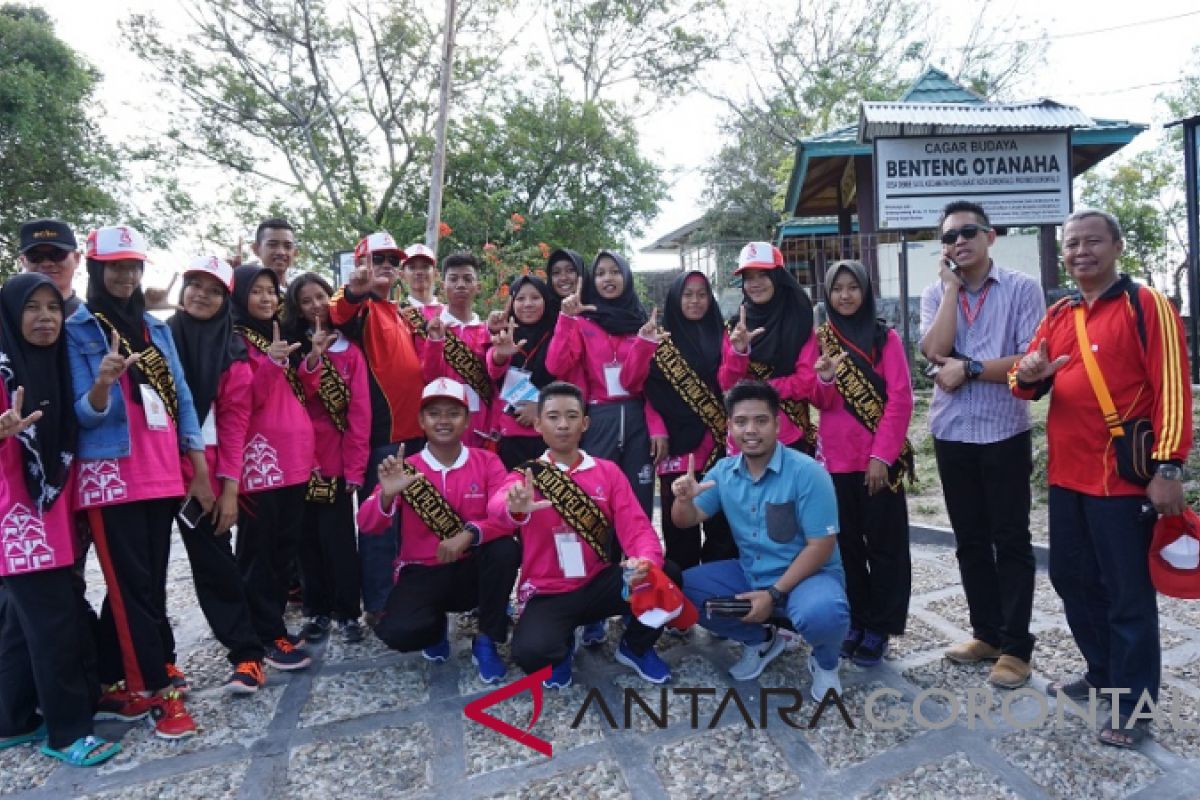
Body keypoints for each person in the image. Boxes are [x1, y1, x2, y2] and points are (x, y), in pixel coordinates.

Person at [1012, 209, 1193, 748]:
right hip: (1068, 478)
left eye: (1092, 241)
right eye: (1071, 244)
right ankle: (1102, 674)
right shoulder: (1060, 312)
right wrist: (1030, 374)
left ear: (1116, 246)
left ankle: (1134, 707)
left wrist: (1168, 466)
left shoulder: (1147, 306)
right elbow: (1024, 382)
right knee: (1071, 579)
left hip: (1123, 480)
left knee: (1127, 595)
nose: (1080, 251)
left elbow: (1174, 389)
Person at [65, 225, 210, 739]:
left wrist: (197, 462)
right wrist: (103, 383)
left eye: (132, 266)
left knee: (146, 584)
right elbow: (81, 415)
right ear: (95, 269)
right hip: (111, 474)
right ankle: (153, 689)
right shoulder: (76, 328)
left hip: (162, 469)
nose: (125, 275)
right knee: (130, 589)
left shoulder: (154, 328)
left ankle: (117, 674)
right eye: (115, 266)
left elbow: (184, 400)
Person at [918, 200, 1046, 689]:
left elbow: (1030, 358)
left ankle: (1016, 647)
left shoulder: (1021, 289)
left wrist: (969, 367)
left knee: (1010, 540)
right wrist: (950, 291)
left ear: (990, 236)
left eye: (968, 232)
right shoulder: (935, 293)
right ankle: (986, 634)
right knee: (969, 540)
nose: (959, 242)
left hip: (1003, 433)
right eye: (949, 237)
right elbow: (933, 350)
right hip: (952, 433)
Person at [0, 273, 120, 767]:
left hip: (47, 513)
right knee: (53, 623)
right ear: (10, 315)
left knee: (18, 623)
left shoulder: (52, 366)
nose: (45, 317)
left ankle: (13, 720)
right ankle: (68, 731)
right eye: (32, 308)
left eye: (53, 307)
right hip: (17, 521)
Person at [490, 381, 676, 688]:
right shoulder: (524, 476)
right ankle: (562, 646)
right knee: (532, 654)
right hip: (549, 591)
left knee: (666, 574)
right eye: (553, 416)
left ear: (585, 423)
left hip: (596, 582)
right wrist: (515, 507)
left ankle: (635, 647)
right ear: (538, 424)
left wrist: (645, 560)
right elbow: (498, 508)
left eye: (572, 416)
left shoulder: (607, 472)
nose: (563, 425)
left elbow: (637, 527)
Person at [673, 380, 849, 698]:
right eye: (741, 422)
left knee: (824, 614)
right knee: (682, 590)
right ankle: (761, 640)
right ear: (729, 427)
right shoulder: (723, 472)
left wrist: (772, 594)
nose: (750, 430)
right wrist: (684, 499)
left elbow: (821, 546)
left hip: (808, 577)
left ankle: (825, 663)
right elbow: (685, 520)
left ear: (778, 425)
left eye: (761, 420)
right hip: (752, 572)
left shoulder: (808, 472)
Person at [358, 379, 520, 683]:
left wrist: (469, 533)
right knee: (399, 633)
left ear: (467, 420)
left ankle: (486, 639)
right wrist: (386, 495)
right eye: (434, 413)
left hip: (473, 568)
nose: (443, 421)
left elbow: (505, 516)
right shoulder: (405, 468)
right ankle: (434, 630)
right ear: (421, 420)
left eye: (453, 413)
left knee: (506, 549)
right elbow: (368, 524)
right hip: (422, 572)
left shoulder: (487, 461)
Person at [168, 256, 276, 694]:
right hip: (156, 470)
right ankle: (156, 663)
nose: (202, 295)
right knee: (144, 570)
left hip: (208, 473)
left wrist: (228, 488)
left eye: (214, 290)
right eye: (194, 284)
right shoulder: (157, 339)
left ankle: (247, 655)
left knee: (215, 562)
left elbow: (235, 423)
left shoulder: (231, 350)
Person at [805, 260, 914, 667]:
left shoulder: (885, 339)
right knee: (846, 546)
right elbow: (820, 401)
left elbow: (901, 401)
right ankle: (856, 618)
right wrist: (827, 379)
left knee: (885, 547)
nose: (845, 295)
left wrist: (881, 457)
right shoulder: (821, 340)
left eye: (853, 287)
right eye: (837, 289)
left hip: (877, 464)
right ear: (828, 295)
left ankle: (881, 626)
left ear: (866, 292)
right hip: (835, 464)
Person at [328, 231, 426, 622]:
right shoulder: (361, 306)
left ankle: (407, 591)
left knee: (409, 523)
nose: (386, 266)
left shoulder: (398, 311)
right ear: (360, 264)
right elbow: (338, 312)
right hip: (381, 441)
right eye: (377, 259)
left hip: (414, 436)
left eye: (391, 260)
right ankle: (381, 604)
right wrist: (353, 291)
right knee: (379, 524)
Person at [229, 265, 316, 672]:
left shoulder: (275, 337)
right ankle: (264, 635)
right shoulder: (233, 339)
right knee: (258, 553)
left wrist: (310, 362)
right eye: (257, 291)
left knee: (284, 550)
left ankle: (274, 623)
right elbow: (243, 401)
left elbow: (296, 394)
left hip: (294, 460)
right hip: (258, 463)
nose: (266, 299)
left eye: (271, 291)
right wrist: (270, 364)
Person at [626, 270, 736, 570]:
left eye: (702, 294)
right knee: (680, 530)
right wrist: (657, 430)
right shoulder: (660, 340)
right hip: (675, 445)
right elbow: (640, 388)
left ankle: (716, 601)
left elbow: (732, 380)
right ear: (675, 299)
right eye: (688, 294)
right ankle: (683, 601)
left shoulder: (724, 333)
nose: (695, 301)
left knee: (722, 527)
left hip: (718, 443)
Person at [284, 272, 369, 644]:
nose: (316, 305)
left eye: (321, 296)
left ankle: (348, 612)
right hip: (300, 460)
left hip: (335, 460)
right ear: (297, 309)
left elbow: (359, 413)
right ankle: (316, 611)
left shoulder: (351, 350)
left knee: (338, 541)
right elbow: (295, 395)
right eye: (306, 300)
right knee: (306, 542)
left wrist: (355, 467)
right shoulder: (290, 348)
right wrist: (314, 354)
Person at [545, 251, 663, 518]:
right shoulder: (582, 321)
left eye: (615, 271)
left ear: (626, 276)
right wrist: (566, 320)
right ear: (591, 280)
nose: (608, 278)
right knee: (597, 496)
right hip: (599, 418)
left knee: (638, 500)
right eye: (600, 274)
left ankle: (639, 559)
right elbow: (556, 366)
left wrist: (657, 428)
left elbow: (644, 386)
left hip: (637, 419)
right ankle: (603, 560)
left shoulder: (642, 324)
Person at [720, 242, 818, 455]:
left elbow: (806, 381)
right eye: (749, 277)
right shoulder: (737, 327)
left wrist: (757, 391)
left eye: (763, 275)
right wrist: (738, 352)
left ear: (778, 278)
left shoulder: (799, 323)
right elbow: (727, 384)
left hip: (790, 437)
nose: (755, 284)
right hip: (746, 440)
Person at [487, 275, 563, 470]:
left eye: (535, 298)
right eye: (520, 299)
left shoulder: (557, 333)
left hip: (550, 433)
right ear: (512, 303)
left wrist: (541, 408)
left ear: (545, 300)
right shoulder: (503, 334)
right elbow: (493, 372)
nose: (528, 304)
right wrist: (500, 355)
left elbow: (568, 380)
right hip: (510, 435)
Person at [422, 253, 494, 449]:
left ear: (478, 286)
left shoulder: (488, 331)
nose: (460, 284)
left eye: (467, 279)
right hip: (443, 426)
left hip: (482, 427)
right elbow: (429, 377)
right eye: (453, 279)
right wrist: (435, 342)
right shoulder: (431, 328)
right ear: (443, 285)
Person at [18, 218, 83, 317]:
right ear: (23, 261)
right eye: (35, 256)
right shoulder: (8, 317)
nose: (46, 263)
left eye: (57, 254)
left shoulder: (94, 319)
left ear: (76, 258)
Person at [251, 218, 298, 286]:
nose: (281, 252)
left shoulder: (298, 295)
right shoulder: (247, 293)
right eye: (273, 245)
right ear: (256, 249)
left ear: (295, 252)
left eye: (287, 246)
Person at [401, 243, 442, 318]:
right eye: (412, 267)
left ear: (435, 274)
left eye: (425, 267)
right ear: (402, 275)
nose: (419, 272)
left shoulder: (448, 313)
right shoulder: (398, 312)